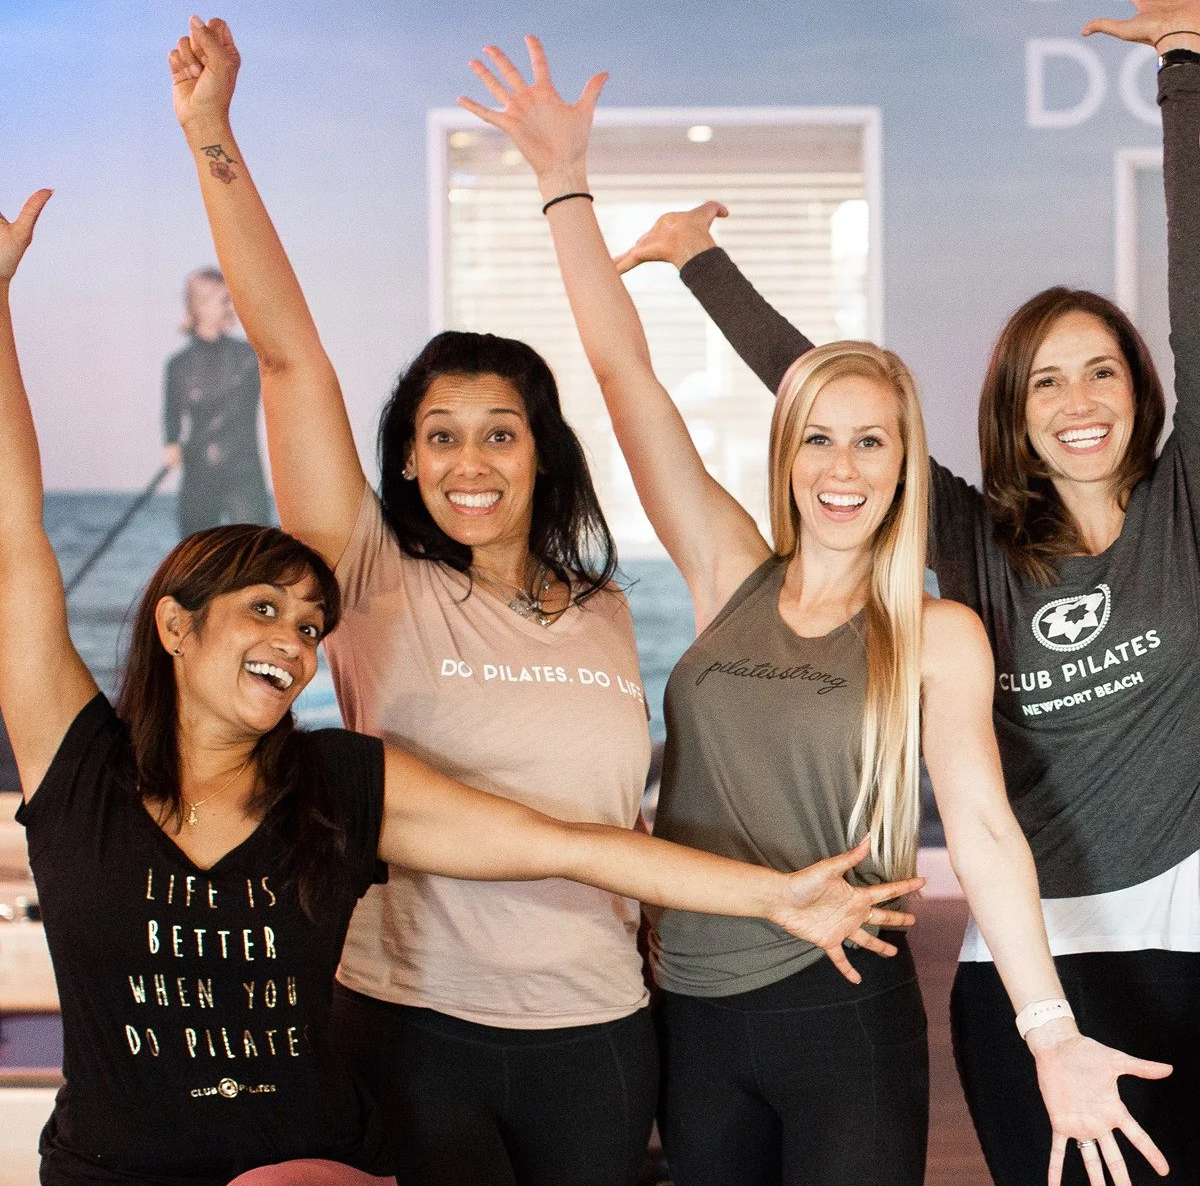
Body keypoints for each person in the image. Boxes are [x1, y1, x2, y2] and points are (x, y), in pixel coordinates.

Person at [0, 190, 919, 1186]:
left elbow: (579, 837)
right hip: (414, 1025)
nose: (469, 461)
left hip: (597, 1027)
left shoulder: (604, 609)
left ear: (541, 453)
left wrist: (772, 899)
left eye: (500, 434)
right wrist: (211, 135)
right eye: (441, 435)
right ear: (406, 455)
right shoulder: (369, 575)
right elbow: (288, 359)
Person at [458, 33, 1178, 1186]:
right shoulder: (726, 568)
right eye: (822, 440)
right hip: (685, 1005)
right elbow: (622, 376)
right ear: (791, 454)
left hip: (842, 1018)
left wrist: (1051, 1034)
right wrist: (562, 182)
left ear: (906, 466)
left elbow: (988, 834)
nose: (844, 467)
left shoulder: (938, 633)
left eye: (874, 442)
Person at [163, 266, 272, 537]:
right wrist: (171, 443)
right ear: (200, 306)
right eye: (225, 300)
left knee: (255, 553)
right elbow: (171, 415)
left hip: (244, 473)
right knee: (195, 561)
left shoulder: (250, 357)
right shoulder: (178, 365)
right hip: (199, 473)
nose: (231, 307)